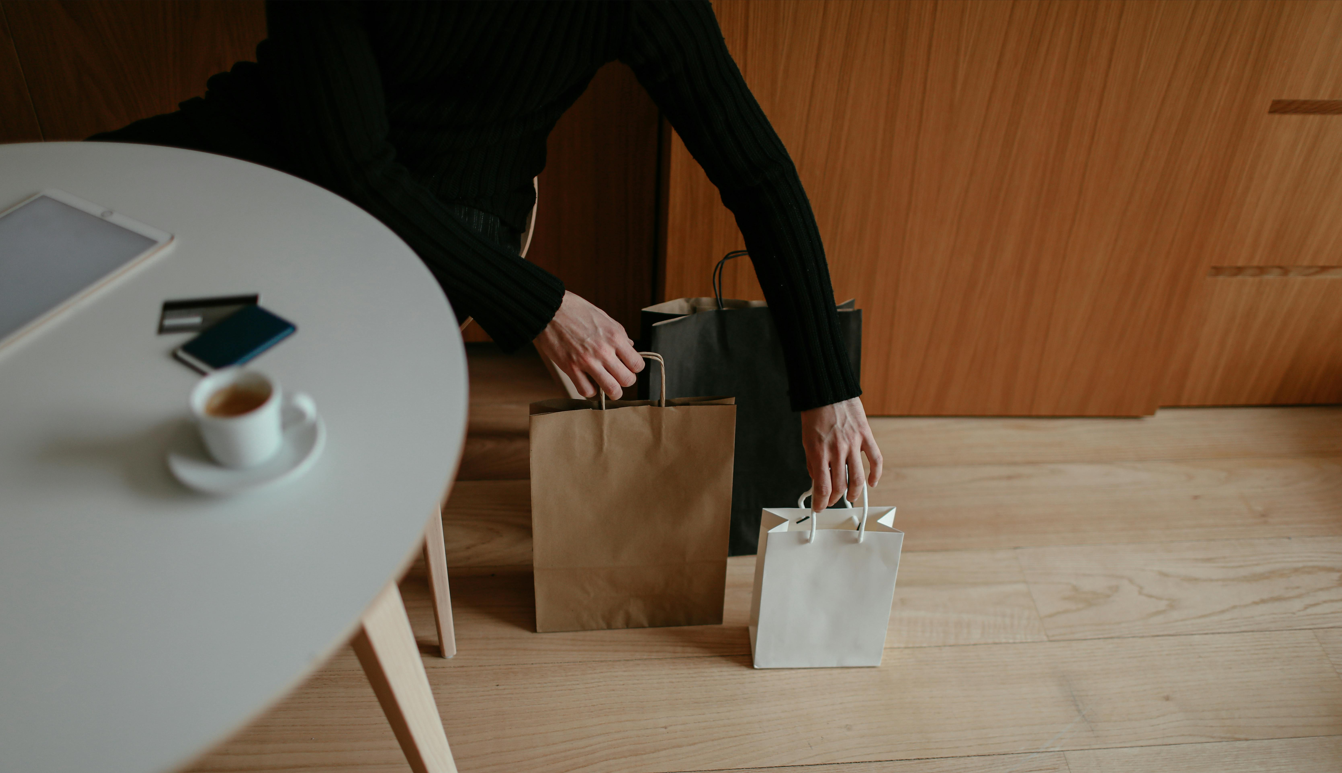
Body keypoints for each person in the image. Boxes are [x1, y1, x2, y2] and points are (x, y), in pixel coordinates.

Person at [92, 0, 882, 511]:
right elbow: (352, 163)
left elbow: (755, 171)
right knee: (61, 221)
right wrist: (543, 306)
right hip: (280, 140)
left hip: (457, 201)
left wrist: (827, 385)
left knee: (287, 370)